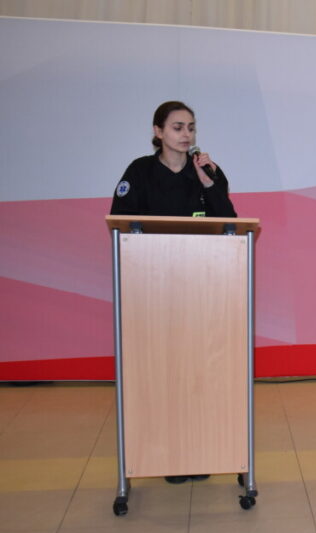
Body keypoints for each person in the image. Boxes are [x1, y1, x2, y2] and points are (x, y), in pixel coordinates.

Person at [111, 101, 236, 484]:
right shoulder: (140, 171)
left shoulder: (207, 171)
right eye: (178, 127)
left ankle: (198, 452)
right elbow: (121, 221)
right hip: (152, 288)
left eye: (191, 127)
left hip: (202, 287)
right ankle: (167, 454)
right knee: (162, 374)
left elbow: (230, 223)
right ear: (158, 132)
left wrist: (209, 184)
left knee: (199, 373)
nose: (186, 134)